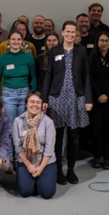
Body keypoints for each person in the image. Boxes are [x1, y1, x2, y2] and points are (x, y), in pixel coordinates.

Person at [42, 21, 92, 185]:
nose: (70, 34)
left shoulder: (81, 50)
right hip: (56, 97)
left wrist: (88, 98)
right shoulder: (55, 50)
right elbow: (48, 75)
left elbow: (86, 75)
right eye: (67, 31)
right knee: (57, 136)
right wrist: (44, 98)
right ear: (62, 33)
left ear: (76, 34)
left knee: (74, 136)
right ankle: (57, 170)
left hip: (76, 97)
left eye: (73, 32)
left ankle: (71, 169)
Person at [0, 30, 37, 160]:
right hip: (8, 95)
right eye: (13, 39)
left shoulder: (29, 57)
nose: (16, 42)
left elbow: (33, 78)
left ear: (22, 41)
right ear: (8, 41)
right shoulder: (2, 59)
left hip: (25, 95)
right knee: (10, 129)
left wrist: (33, 98)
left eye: (18, 39)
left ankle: (21, 158)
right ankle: (9, 158)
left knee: (24, 128)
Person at [13, 91, 57, 199]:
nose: (35, 105)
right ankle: (34, 180)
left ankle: (40, 179)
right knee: (24, 192)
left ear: (42, 105)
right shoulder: (18, 121)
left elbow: (49, 149)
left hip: (45, 161)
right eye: (32, 102)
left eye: (38, 102)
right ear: (26, 104)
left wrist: (41, 168)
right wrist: (29, 165)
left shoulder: (48, 122)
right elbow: (18, 147)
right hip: (26, 160)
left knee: (47, 193)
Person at [88, 32, 109, 170]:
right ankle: (96, 156)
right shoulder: (92, 58)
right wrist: (99, 94)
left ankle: (107, 157)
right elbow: (89, 78)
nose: (104, 43)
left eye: (107, 40)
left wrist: (107, 94)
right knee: (96, 129)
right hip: (96, 98)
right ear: (97, 42)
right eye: (102, 40)